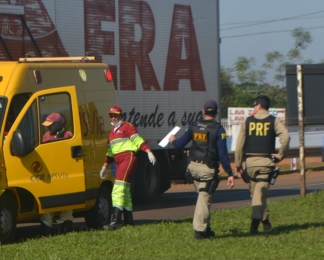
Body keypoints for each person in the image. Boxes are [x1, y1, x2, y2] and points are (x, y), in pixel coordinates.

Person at [167, 100, 236, 240]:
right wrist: (229, 173)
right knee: (204, 198)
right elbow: (222, 154)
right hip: (207, 169)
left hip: (193, 168)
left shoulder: (194, 126)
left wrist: (172, 140)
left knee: (204, 199)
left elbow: (179, 144)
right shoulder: (219, 130)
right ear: (217, 112)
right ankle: (199, 231)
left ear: (203, 111)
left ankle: (206, 228)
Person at [234, 95, 289, 234]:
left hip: (250, 164)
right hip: (265, 164)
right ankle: (254, 226)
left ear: (258, 106)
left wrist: (238, 163)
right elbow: (286, 137)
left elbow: (239, 144)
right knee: (259, 195)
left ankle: (265, 222)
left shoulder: (247, 121)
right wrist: (281, 155)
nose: (253, 108)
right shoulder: (274, 121)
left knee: (256, 194)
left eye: (254, 105)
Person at [100, 105, 155, 230]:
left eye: (116, 115)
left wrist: (147, 151)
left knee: (117, 189)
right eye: (111, 116)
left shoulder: (127, 127)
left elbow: (137, 139)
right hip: (118, 161)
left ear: (120, 116)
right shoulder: (112, 132)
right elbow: (110, 151)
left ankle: (116, 221)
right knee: (125, 190)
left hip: (127, 158)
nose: (113, 118)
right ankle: (129, 220)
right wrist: (105, 165)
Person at [40, 112, 75, 233]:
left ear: (59, 124)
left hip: (64, 175)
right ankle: (47, 228)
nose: (49, 127)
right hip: (49, 175)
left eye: (51, 125)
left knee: (66, 205)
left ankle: (65, 228)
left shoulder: (68, 135)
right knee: (47, 206)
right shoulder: (45, 136)